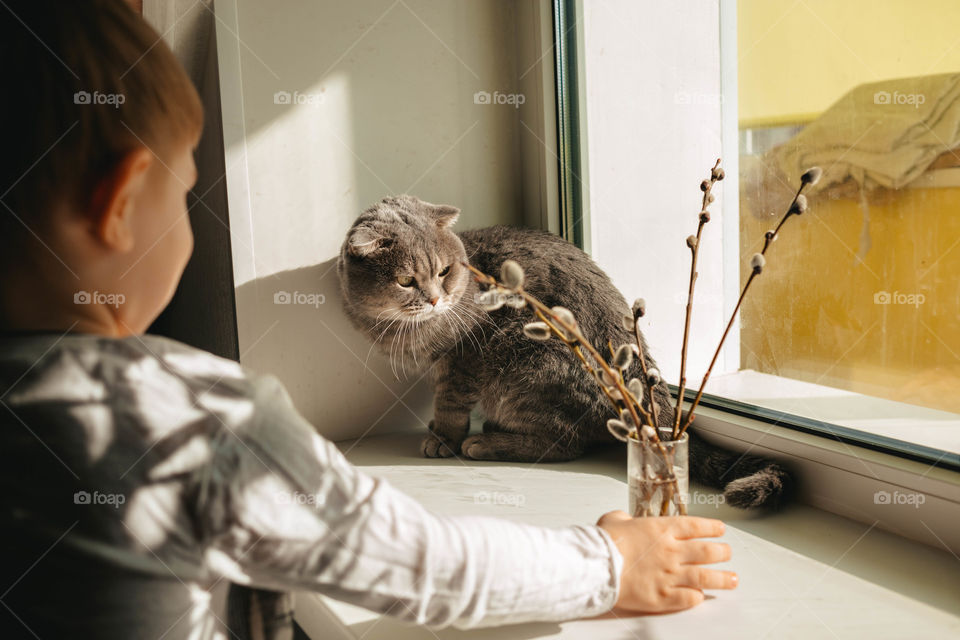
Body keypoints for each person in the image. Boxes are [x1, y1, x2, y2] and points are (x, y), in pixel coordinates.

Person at [0, 1, 737, 638]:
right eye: (186, 195)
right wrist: (609, 566)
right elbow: (424, 566)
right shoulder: (193, 419)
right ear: (121, 206)